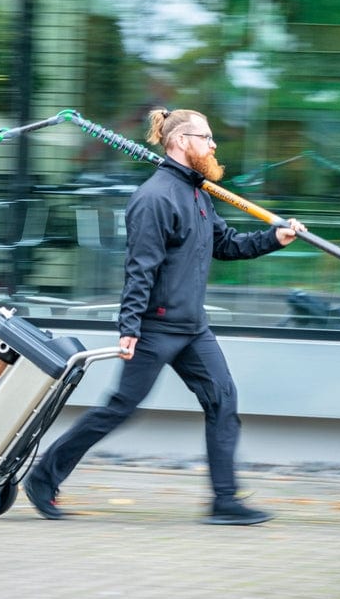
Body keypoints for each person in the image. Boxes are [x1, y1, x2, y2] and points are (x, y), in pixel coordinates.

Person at [24, 107, 305, 525]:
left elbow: (224, 245)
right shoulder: (154, 198)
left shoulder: (199, 193)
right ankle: (43, 477)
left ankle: (225, 501)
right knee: (120, 408)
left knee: (223, 401)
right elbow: (140, 267)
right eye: (206, 137)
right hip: (155, 327)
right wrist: (129, 327)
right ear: (179, 142)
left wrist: (273, 238)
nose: (213, 145)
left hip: (193, 328)